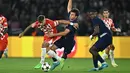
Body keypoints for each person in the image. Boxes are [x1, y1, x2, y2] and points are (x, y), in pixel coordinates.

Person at [47, 0, 79, 70]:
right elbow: (69, 8)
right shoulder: (70, 20)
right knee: (51, 49)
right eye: (70, 14)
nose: (70, 15)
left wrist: (53, 34)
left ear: (76, 17)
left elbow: (65, 33)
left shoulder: (74, 24)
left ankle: (62, 60)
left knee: (64, 55)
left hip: (69, 42)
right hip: (63, 39)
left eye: (73, 15)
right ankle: (56, 62)